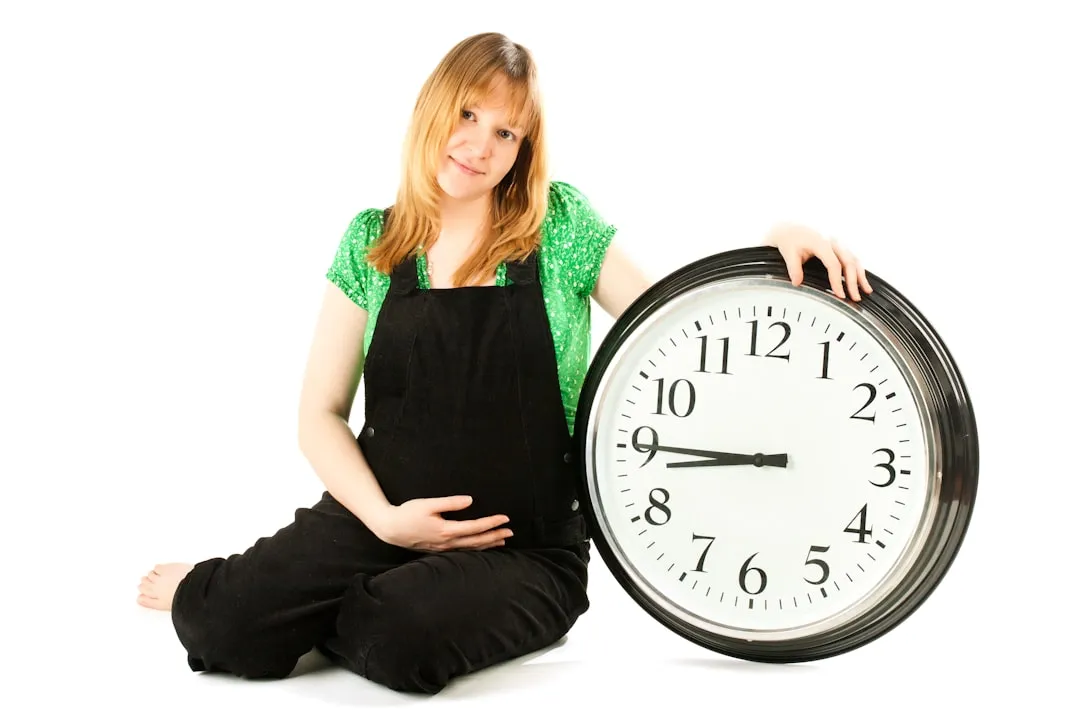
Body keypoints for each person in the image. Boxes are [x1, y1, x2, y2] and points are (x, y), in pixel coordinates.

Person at [136, 32, 873, 695]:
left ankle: (366, 604)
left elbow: (674, 320)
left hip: (522, 548)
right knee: (219, 629)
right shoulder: (371, 241)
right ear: (432, 110)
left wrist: (774, 238)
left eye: (505, 131)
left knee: (400, 640)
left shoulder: (560, 227)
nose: (478, 145)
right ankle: (260, 589)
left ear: (523, 147)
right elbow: (317, 415)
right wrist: (389, 524)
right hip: (374, 520)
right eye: (465, 115)